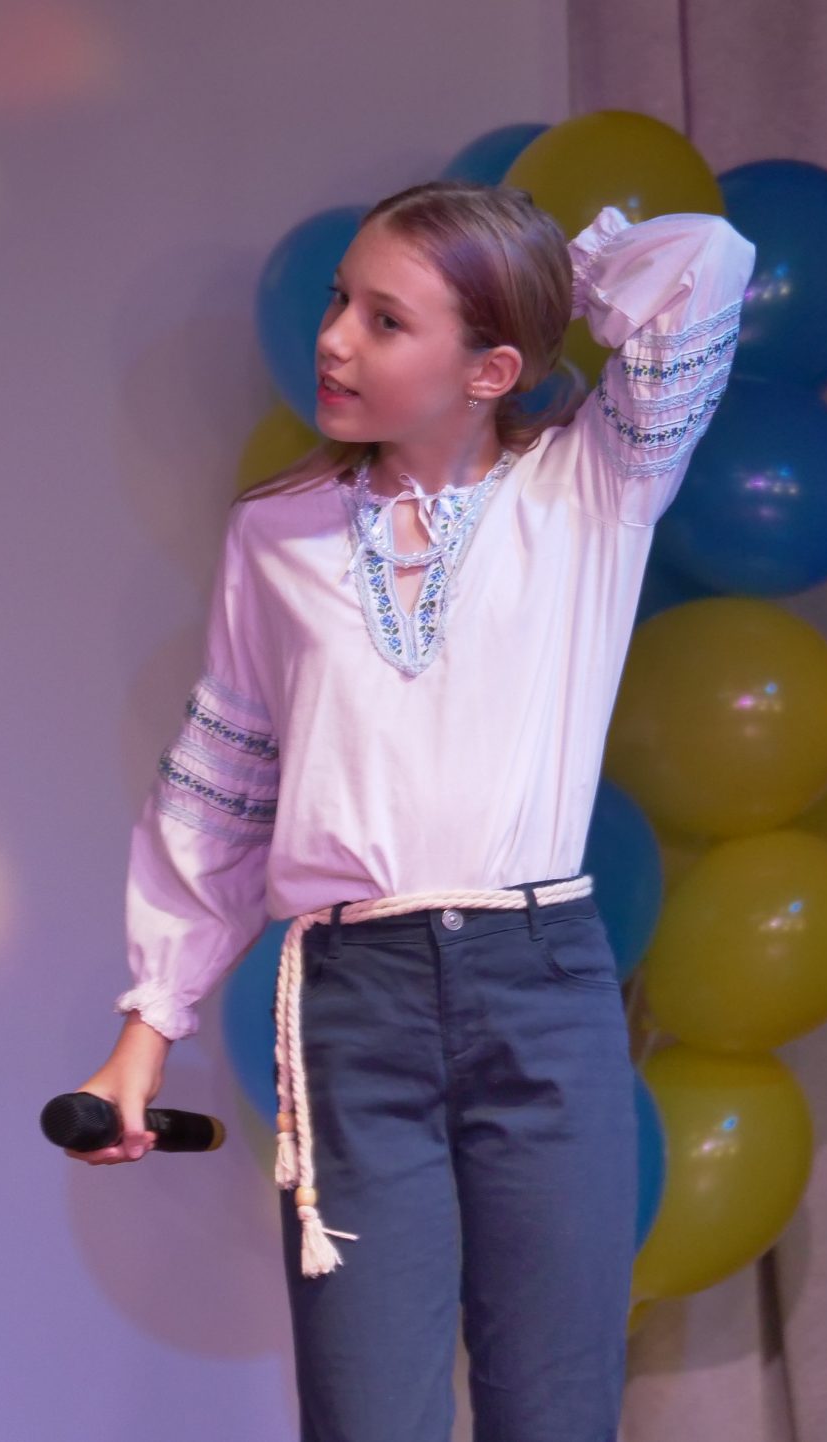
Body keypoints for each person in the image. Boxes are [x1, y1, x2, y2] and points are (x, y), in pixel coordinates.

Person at [71, 181, 754, 1441]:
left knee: (552, 1408)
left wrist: (550, 277)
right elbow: (224, 783)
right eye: (340, 300)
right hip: (354, 1002)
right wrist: (147, 1023)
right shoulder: (276, 533)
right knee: (365, 1413)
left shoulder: (591, 486)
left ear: (491, 368)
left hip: (539, 989)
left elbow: (702, 260)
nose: (334, 338)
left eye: (385, 319)